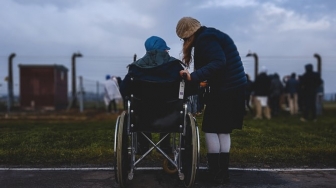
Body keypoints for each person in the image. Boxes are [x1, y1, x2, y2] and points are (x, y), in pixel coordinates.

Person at [176, 17, 247, 184]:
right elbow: (220, 64)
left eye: (184, 39)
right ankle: (223, 173)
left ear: (189, 35)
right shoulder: (211, 35)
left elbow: (218, 62)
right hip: (234, 88)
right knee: (223, 130)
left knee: (210, 128)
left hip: (225, 89)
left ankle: (215, 172)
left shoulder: (205, 40)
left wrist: (193, 77)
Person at [120, 36, 197, 155]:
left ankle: (144, 145)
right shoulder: (175, 66)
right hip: (170, 116)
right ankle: (165, 146)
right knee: (169, 108)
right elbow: (190, 90)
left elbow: (124, 89)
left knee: (139, 110)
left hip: (142, 115)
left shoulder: (135, 68)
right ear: (164, 50)